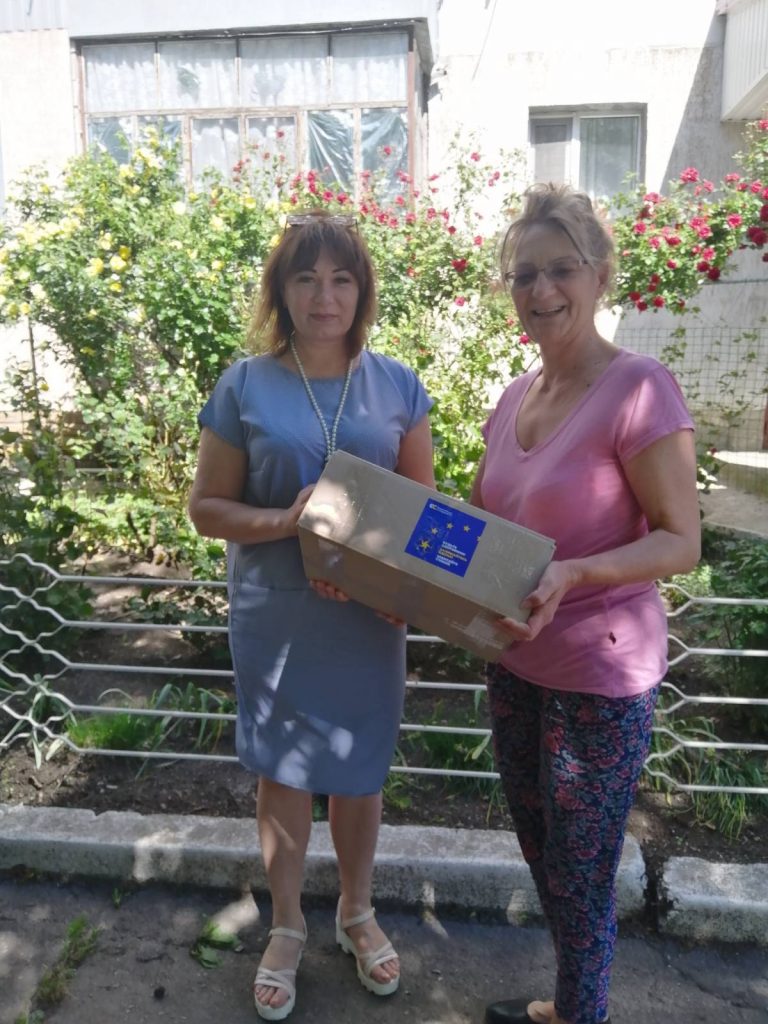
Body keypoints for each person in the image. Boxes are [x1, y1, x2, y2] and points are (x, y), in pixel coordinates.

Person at [188, 209, 434, 1020]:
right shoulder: (244, 385)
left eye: (341, 279)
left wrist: (385, 587)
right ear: (281, 290)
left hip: (369, 617)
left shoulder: (398, 386)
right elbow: (206, 508)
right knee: (284, 773)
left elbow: (423, 519)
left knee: (360, 771)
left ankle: (356, 912)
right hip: (279, 612)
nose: (324, 296)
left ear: (362, 291)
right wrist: (284, 522)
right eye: (305, 278)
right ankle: (287, 922)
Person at [471, 183, 700, 1024]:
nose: (540, 290)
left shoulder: (639, 388)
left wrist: (575, 573)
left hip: (599, 673)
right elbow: (484, 525)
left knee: (582, 873)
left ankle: (582, 1015)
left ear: (601, 275)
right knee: (544, 852)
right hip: (516, 658)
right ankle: (570, 1005)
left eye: (561, 268)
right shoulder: (514, 397)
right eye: (524, 274)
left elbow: (680, 540)